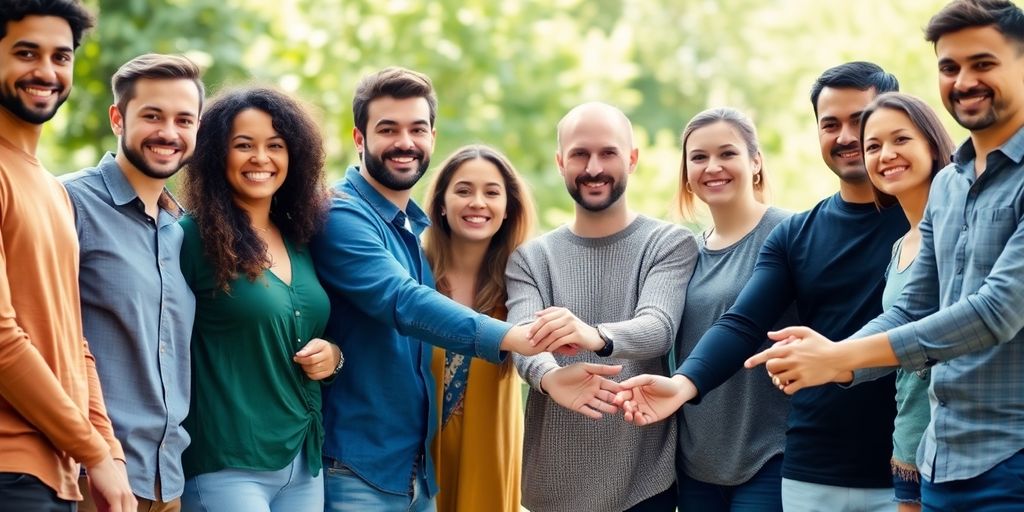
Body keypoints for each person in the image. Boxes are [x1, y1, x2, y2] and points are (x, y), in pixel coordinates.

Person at [745, 1, 1024, 509]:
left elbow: (995, 312)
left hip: (1012, 455)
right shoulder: (951, 186)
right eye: (949, 67)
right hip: (943, 459)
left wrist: (838, 356)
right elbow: (908, 310)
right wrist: (832, 362)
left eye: (983, 64)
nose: (963, 81)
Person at [616, 62, 906, 512]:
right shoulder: (796, 235)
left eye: (860, 120)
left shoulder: (929, 219)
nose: (846, 136)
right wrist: (683, 384)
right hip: (814, 470)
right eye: (830, 124)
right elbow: (741, 323)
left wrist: (839, 358)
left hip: (905, 466)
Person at [309, 67, 561, 512]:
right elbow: (402, 302)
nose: (405, 142)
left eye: (417, 129)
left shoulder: (409, 231)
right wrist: (507, 335)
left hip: (415, 478)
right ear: (359, 138)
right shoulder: (341, 215)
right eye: (388, 129)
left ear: (431, 138)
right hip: (356, 470)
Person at [507, 101, 698, 512]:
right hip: (552, 488)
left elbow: (659, 326)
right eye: (579, 154)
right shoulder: (530, 259)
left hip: (645, 484)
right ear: (560, 162)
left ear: (631, 159)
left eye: (608, 153)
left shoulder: (668, 244)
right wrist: (548, 376)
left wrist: (594, 335)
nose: (593, 167)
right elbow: (524, 339)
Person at [177, 86, 341, 511]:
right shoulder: (188, 239)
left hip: (302, 461)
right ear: (216, 154)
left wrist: (333, 356)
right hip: (226, 462)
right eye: (243, 145)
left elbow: (304, 328)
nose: (261, 158)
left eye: (276, 146)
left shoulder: (300, 238)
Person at [0, 2, 136, 511]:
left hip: (53, 476)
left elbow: (71, 338)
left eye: (62, 56)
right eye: (26, 53)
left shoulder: (51, 188)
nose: (46, 71)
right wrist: (92, 451)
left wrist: (108, 453)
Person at [61, 53, 204, 512]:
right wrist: (94, 452)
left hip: (166, 483)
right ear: (117, 118)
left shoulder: (181, 228)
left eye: (185, 119)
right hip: (90, 476)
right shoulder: (67, 203)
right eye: (153, 116)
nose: (169, 132)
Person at [663, 107, 794, 511]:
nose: (712, 167)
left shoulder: (790, 233)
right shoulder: (683, 251)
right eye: (698, 157)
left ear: (755, 162)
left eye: (727, 153)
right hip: (696, 462)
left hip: (771, 453)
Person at [422, 144, 534, 512]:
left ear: (507, 209)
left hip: (490, 456)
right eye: (464, 190)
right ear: (441, 202)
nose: (477, 202)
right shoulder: (412, 274)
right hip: (415, 458)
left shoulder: (523, 284)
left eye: (491, 192)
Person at [860, 92, 954, 512]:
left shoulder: (963, 229)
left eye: (901, 140)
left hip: (965, 453)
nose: (886, 155)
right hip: (909, 448)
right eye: (873, 146)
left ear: (932, 145)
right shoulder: (899, 246)